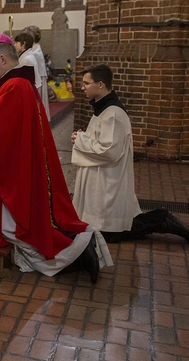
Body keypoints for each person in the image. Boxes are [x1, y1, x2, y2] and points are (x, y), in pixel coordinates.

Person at [0, 40, 112, 283]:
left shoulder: (14, 86)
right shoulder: (19, 84)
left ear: (3, 60)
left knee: (13, 228)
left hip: (16, 171)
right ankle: (78, 250)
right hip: (23, 162)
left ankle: (76, 253)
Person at [71, 64, 189, 242]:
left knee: (111, 232)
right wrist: (82, 136)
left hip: (108, 179)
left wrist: (80, 140)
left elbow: (109, 151)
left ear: (100, 84)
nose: (82, 87)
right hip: (101, 177)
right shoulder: (103, 108)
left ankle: (161, 220)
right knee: (106, 228)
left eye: (86, 83)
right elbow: (100, 139)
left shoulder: (114, 113)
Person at [14, 31, 50, 120]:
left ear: (23, 44)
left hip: (30, 91)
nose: (15, 45)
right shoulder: (26, 56)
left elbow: (26, 80)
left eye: (16, 42)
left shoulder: (27, 59)